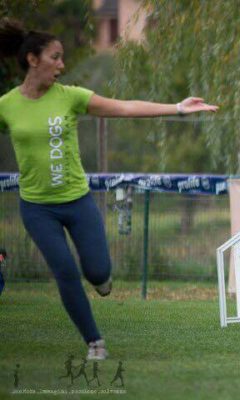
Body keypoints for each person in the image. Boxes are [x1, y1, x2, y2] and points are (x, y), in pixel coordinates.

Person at [0, 19, 218, 360]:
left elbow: (125, 107)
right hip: (37, 208)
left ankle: (101, 280)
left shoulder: (71, 98)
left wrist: (177, 108)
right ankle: (94, 341)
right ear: (32, 59)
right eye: (55, 57)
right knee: (65, 271)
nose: (62, 64)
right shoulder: (7, 106)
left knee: (98, 272)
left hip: (77, 202)